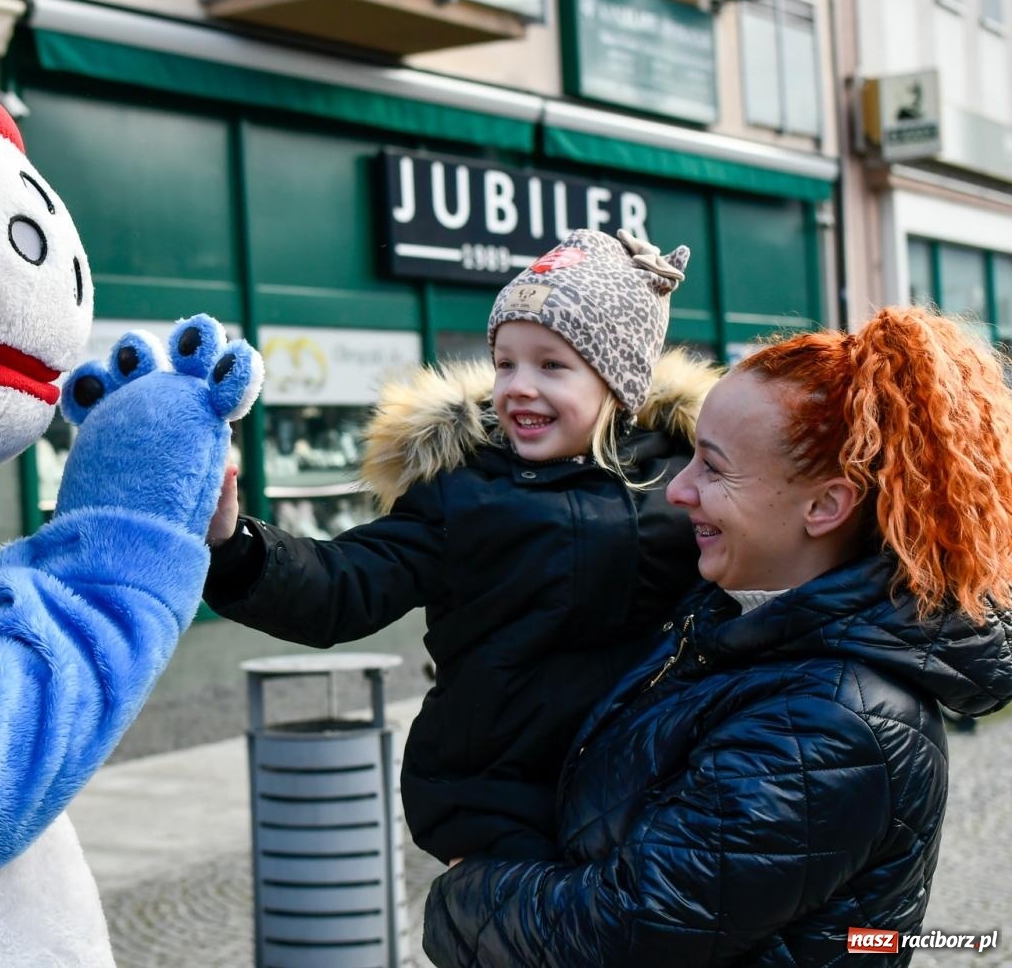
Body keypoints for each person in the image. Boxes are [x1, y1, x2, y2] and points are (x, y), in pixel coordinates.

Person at [423, 307, 1012, 966]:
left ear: (824, 506)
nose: (677, 489)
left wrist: (460, 889)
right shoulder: (732, 619)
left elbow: (615, 935)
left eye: (713, 467)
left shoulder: (831, 726)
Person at [205, 227, 719, 863]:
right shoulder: (462, 488)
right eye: (506, 362)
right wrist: (232, 546)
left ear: (620, 380)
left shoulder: (682, 478)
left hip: (648, 792)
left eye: (552, 364)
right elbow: (343, 586)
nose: (518, 386)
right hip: (494, 805)